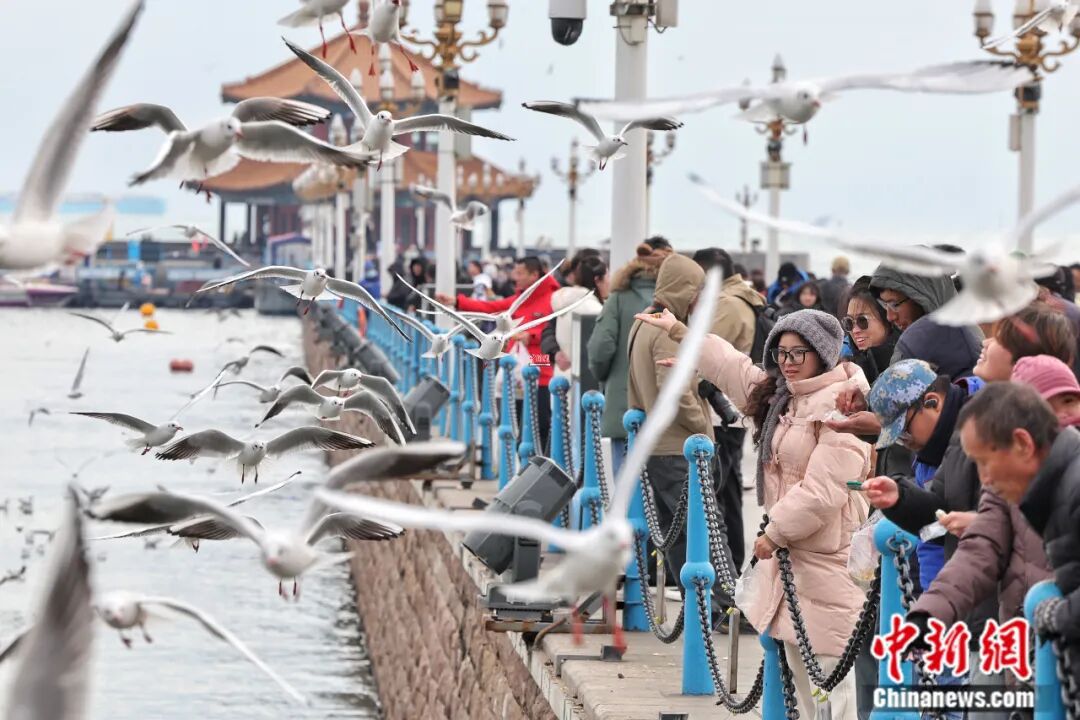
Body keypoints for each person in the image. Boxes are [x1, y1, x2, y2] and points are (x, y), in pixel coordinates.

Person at [637, 307, 871, 720]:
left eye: (798, 354)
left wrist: (774, 533)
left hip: (827, 558)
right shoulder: (784, 397)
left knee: (833, 682)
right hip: (793, 558)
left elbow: (823, 491)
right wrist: (680, 332)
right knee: (803, 678)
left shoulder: (842, 405)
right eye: (781, 353)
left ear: (823, 353)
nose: (787, 363)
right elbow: (734, 369)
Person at [954, 383, 1080, 690]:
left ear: (1023, 443)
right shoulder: (1054, 489)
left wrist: (1058, 615)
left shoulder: (1072, 488)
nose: (984, 479)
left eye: (985, 462)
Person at [626, 252, 714, 597]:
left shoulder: (642, 322)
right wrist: (701, 427)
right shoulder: (665, 330)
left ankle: (696, 601)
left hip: (656, 442)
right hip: (678, 445)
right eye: (698, 291)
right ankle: (721, 604)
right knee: (703, 530)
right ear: (684, 290)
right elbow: (672, 389)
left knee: (674, 532)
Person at [690, 248, 764, 581]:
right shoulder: (741, 299)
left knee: (719, 494)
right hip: (732, 409)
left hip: (724, 413)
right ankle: (730, 568)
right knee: (727, 491)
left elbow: (704, 355)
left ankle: (726, 573)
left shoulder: (728, 305)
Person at [439, 256, 558, 451]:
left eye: (520, 273)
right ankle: (520, 462)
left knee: (541, 422)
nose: (515, 277)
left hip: (541, 367)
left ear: (534, 275)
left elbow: (554, 330)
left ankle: (539, 461)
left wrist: (532, 336)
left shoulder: (554, 299)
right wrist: (457, 302)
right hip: (515, 369)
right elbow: (491, 308)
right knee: (514, 421)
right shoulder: (519, 299)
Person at [587, 238, 672, 475]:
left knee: (626, 485)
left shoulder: (618, 297)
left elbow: (600, 347)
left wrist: (606, 378)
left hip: (624, 403)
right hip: (667, 407)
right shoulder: (678, 299)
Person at [869, 262, 983, 380]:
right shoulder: (922, 340)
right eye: (884, 304)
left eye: (894, 304)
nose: (890, 316)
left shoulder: (964, 348)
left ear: (922, 297)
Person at [546, 256, 607, 377]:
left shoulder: (565, 303)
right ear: (597, 279)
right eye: (607, 276)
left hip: (562, 377)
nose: (609, 281)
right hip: (585, 382)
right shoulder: (592, 309)